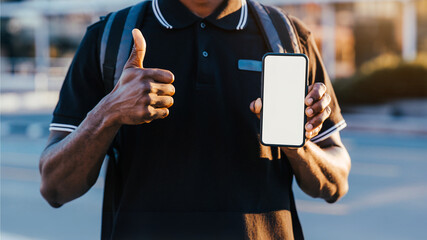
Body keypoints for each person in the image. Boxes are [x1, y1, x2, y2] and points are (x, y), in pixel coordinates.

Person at [39, 0, 351, 239]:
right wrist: (108, 112)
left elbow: (335, 183)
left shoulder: (287, 37)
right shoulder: (110, 39)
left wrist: (296, 143)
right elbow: (55, 187)